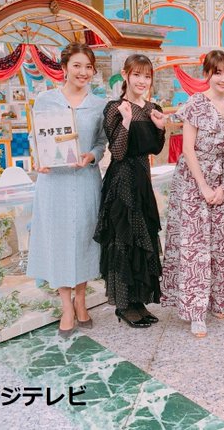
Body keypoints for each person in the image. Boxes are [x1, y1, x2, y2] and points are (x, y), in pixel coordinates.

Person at [161, 50, 224, 338]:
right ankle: (195, 311)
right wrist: (204, 187)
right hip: (192, 181)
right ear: (207, 74)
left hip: (221, 180)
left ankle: (217, 300)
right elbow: (187, 149)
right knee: (195, 246)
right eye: (217, 72)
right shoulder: (196, 103)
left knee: (221, 243)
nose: (223, 78)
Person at [27, 42, 107, 338]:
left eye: (88, 67)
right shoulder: (45, 100)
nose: (83, 72)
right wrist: (39, 158)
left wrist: (92, 156)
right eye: (77, 66)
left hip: (85, 180)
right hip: (54, 184)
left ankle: (81, 300)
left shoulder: (99, 105)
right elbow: (35, 136)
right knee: (59, 241)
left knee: (84, 239)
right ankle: (66, 307)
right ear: (64, 68)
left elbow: (101, 143)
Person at [94, 54, 166, 328]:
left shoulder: (152, 108)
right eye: (137, 74)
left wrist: (160, 129)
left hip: (142, 181)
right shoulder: (115, 108)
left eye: (147, 76)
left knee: (142, 238)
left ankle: (138, 302)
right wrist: (125, 121)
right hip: (121, 182)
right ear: (125, 75)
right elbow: (118, 152)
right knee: (124, 240)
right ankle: (124, 305)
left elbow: (154, 149)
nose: (142, 81)